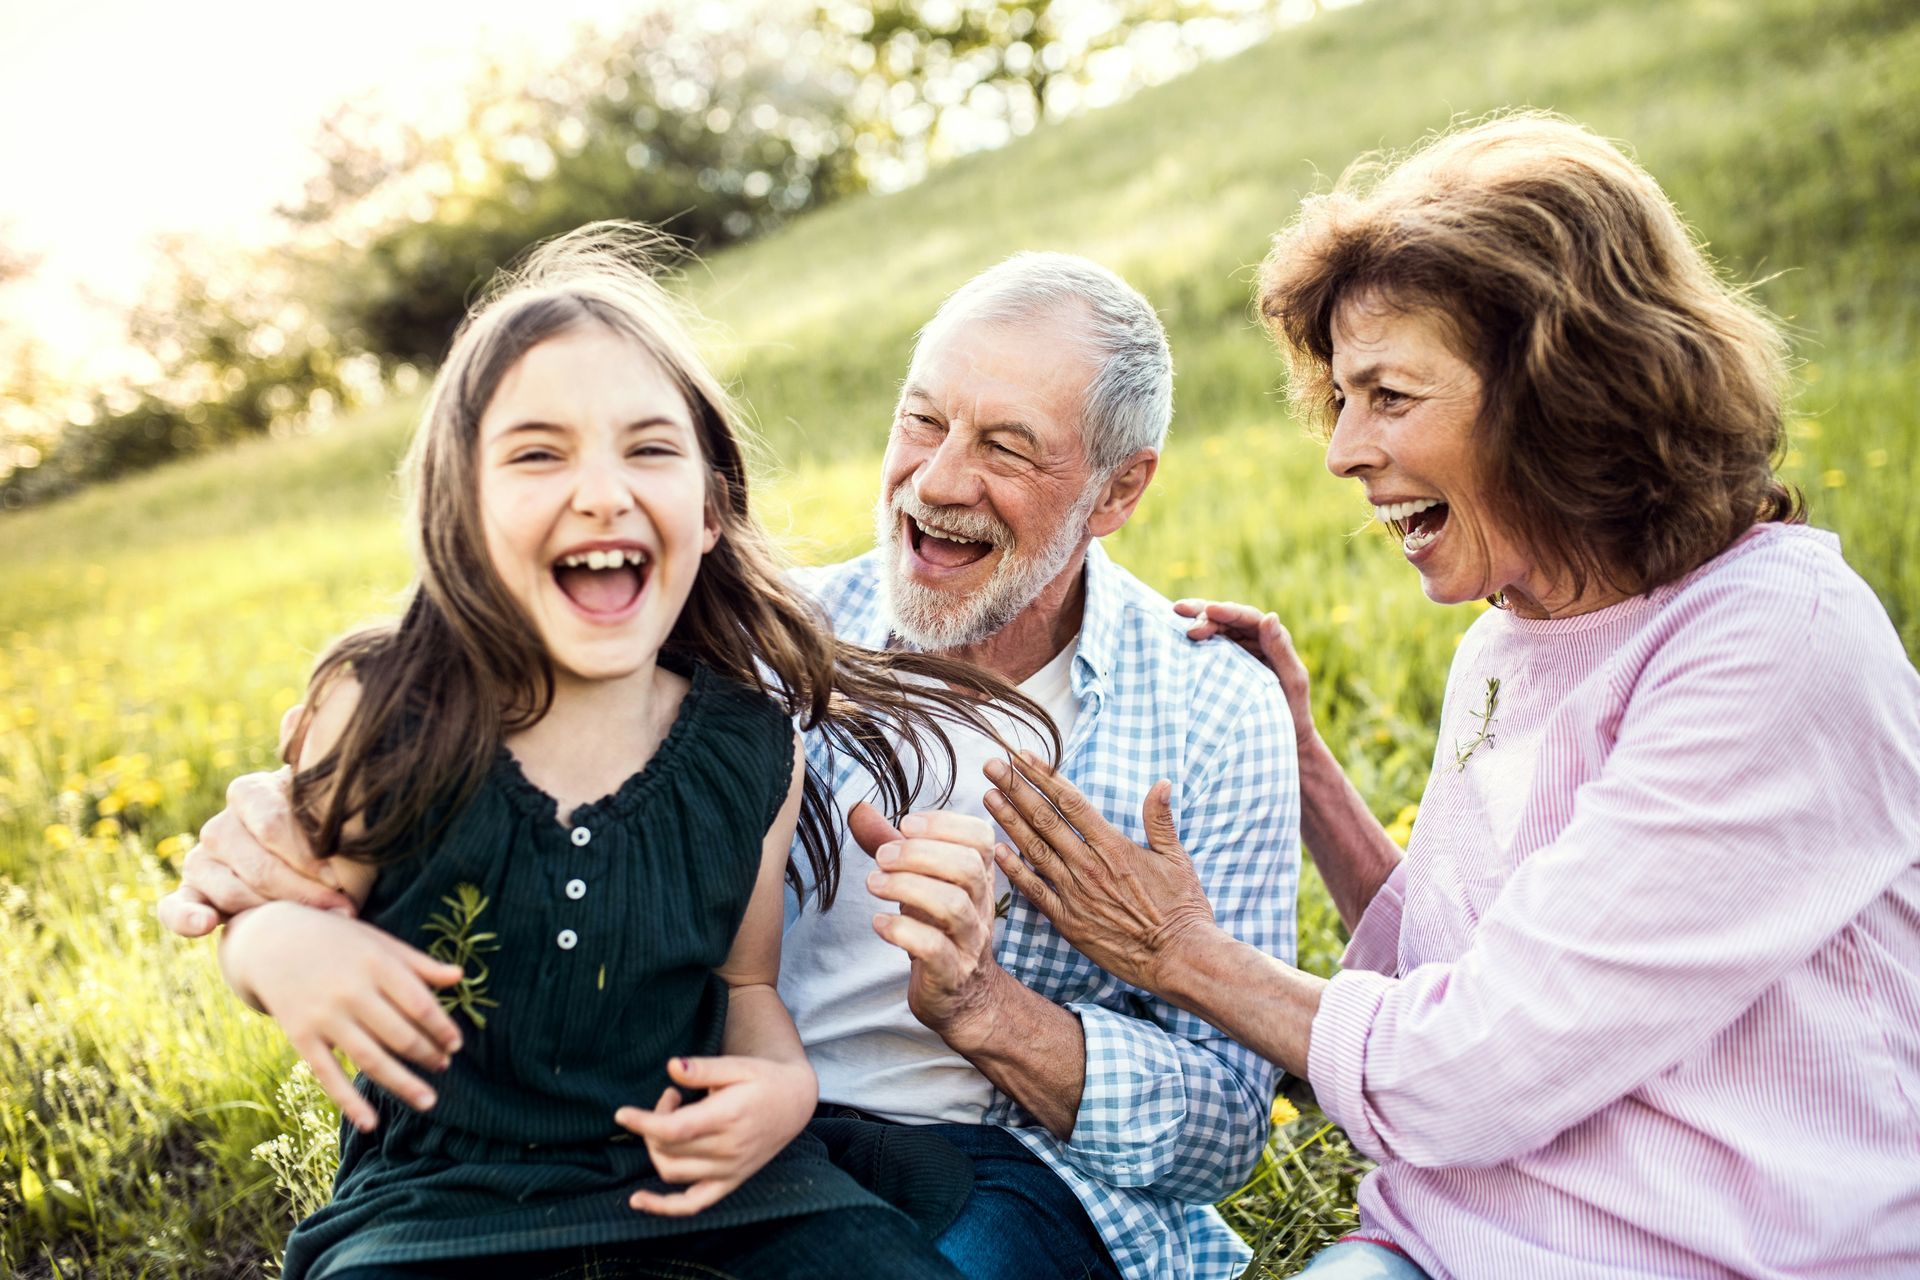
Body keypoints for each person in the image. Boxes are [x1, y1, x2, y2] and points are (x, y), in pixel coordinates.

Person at [161, 251, 1301, 1280]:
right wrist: (277, 852)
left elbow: (1225, 1124)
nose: (940, 480)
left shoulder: (1207, 709)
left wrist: (987, 1007)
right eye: (923, 421)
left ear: (1119, 488)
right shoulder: (754, 654)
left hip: (972, 1161)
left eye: (1007, 446)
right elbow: (513, 691)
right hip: (681, 1141)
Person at [980, 114, 1920, 1279]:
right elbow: (1457, 972)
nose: (1342, 448)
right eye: (1341, 397)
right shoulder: (1511, 635)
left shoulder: (1774, 646)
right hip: (1448, 1243)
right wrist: (1311, 772)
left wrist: (1183, 952)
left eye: (1390, 395)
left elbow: (1479, 1066)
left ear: (1559, 388)